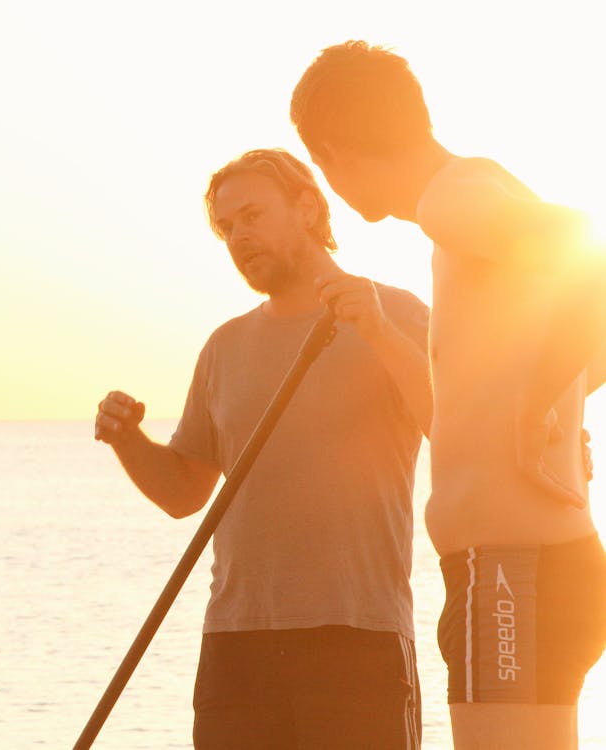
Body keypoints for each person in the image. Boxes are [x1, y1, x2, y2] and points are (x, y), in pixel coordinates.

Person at [291, 41, 606, 750]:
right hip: (532, 569)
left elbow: (590, 252)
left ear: (334, 150)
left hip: (509, 572)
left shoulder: (450, 200)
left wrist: (542, 399)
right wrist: (557, 394)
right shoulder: (478, 190)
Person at [95, 148, 431, 749]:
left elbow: (448, 423)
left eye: (252, 216)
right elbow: (183, 493)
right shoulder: (225, 347)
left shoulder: (395, 312)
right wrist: (127, 441)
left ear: (307, 208)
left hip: (356, 637)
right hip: (237, 644)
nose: (238, 237)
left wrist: (378, 331)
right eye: (227, 228)